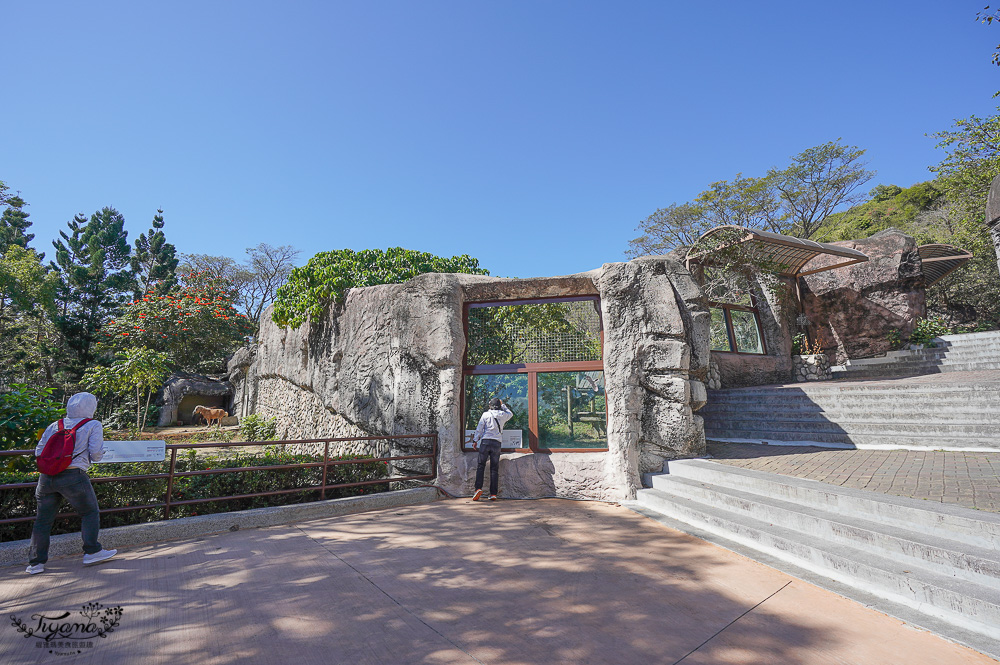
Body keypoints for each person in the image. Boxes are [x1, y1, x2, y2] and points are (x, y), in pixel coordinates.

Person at [26, 393, 117, 575]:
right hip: (73, 475)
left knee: (43, 521)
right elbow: (96, 453)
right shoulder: (93, 425)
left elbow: (39, 451)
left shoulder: (55, 425)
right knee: (89, 512)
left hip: (46, 477)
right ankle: (92, 551)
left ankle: (36, 563)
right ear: (91, 407)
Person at [471, 397, 513, 502]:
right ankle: (493, 493)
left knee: (481, 466)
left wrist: (475, 440)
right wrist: (503, 405)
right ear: (499, 405)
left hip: (485, 442)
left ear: (490, 405)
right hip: (496, 443)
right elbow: (510, 413)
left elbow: (479, 428)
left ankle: (478, 489)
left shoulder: (485, 414)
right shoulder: (503, 415)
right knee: (494, 469)